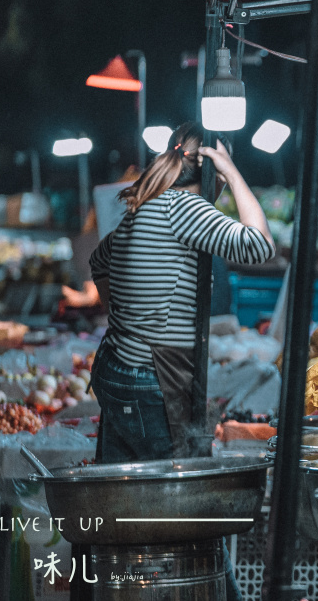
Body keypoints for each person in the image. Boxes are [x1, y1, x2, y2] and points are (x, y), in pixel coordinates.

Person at [89, 122, 275, 462]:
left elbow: (99, 261)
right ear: (213, 170)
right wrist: (234, 175)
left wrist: (122, 317)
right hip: (148, 379)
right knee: (167, 493)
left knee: (118, 488)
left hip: (115, 367)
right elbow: (259, 245)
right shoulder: (185, 208)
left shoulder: (146, 205)